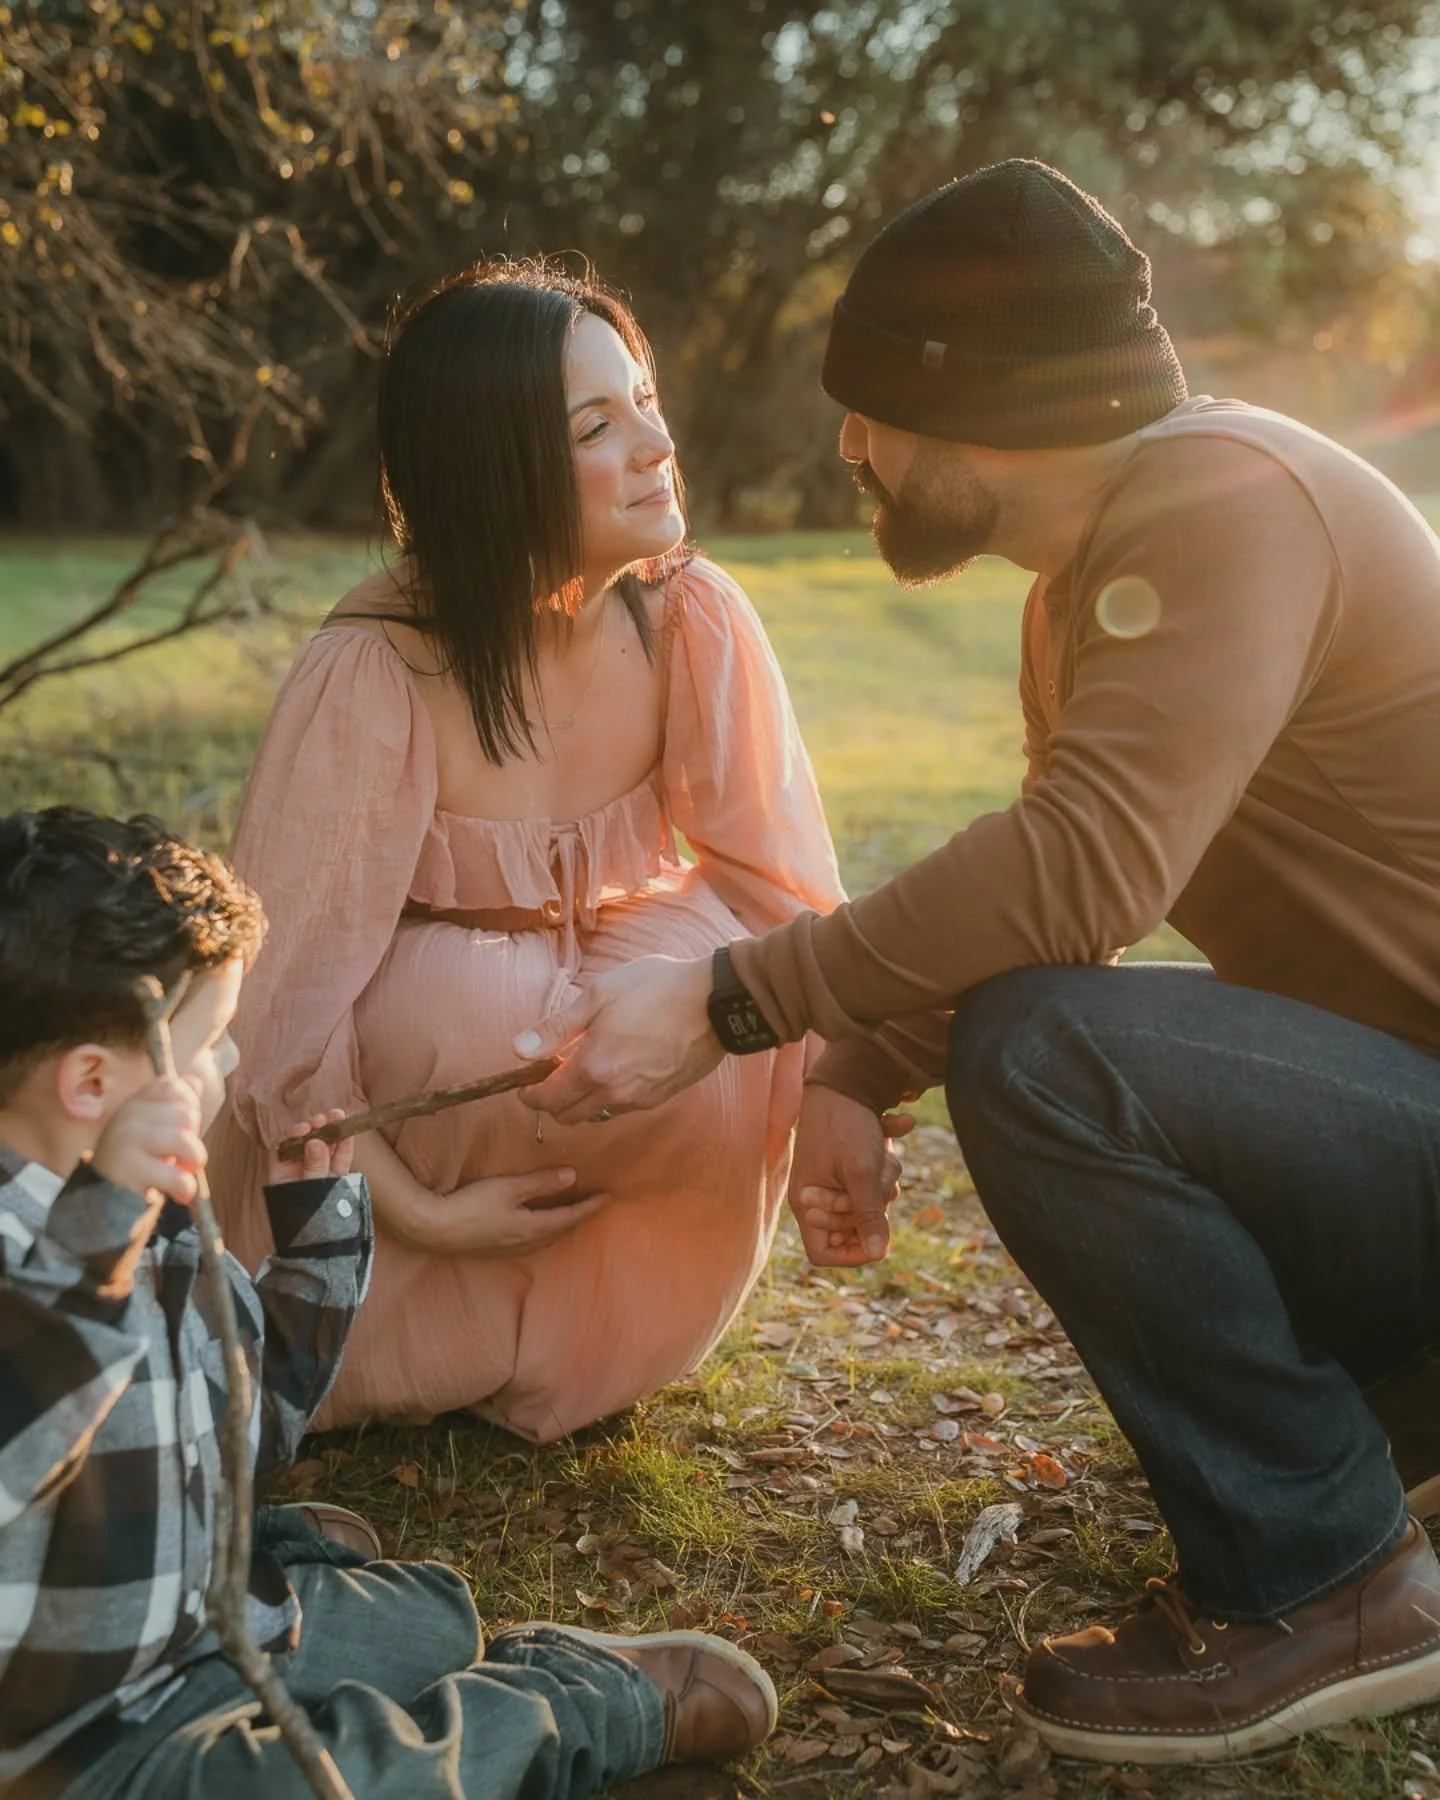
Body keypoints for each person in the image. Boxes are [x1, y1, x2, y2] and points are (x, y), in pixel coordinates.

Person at [510, 160, 1440, 1764]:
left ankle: (1330, 1583)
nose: (851, 449)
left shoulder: (1229, 507)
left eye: (871, 410)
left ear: (977, 406)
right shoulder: (1100, 578)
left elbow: (1081, 868)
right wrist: (858, 1068)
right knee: (1037, 1019)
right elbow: (1066, 900)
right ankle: (1394, 1407)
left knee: (1046, 1056)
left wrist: (741, 1002)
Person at [0, 806, 776, 1799]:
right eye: (208, 1045)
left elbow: (247, 1414)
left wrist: (316, 1251)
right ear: (92, 1082)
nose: (228, 1066)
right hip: (71, 1739)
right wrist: (105, 1228)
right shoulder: (77, 1236)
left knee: (433, 1623)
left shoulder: (152, 1216)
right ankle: (585, 1707)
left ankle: (271, 1557)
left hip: (197, 1627)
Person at [206, 260, 845, 1441]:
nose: (657, 445)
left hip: (613, 998)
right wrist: (422, 1214)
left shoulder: (690, 614)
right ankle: (414, 1337)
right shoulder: (376, 667)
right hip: (395, 1144)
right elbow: (283, 1018)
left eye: (644, 400)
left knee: (725, 978)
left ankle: (589, 1341)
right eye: (597, 427)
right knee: (473, 1008)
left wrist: (830, 1077)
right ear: (491, 469)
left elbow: (787, 893)